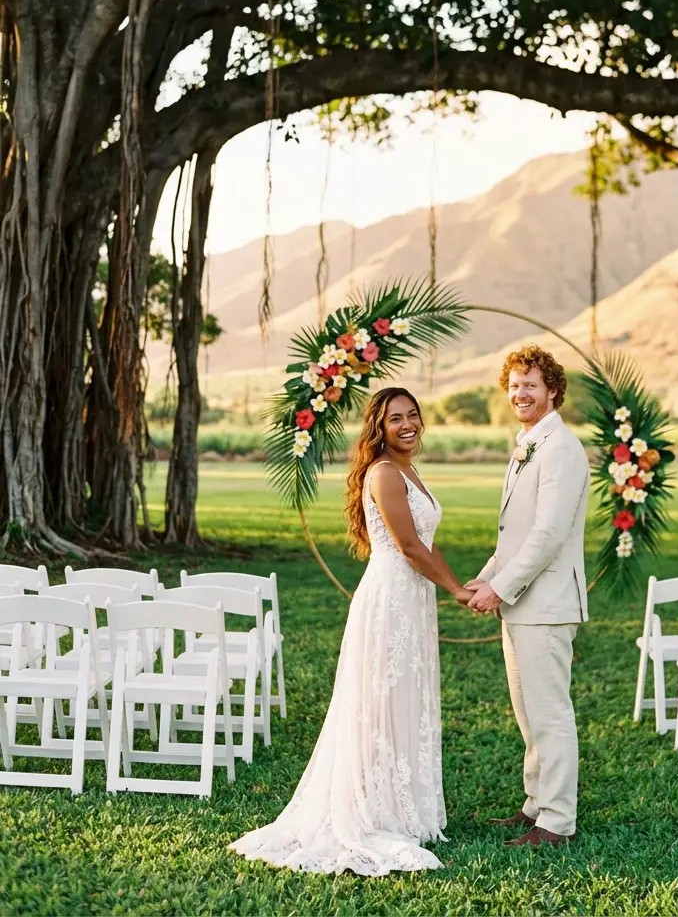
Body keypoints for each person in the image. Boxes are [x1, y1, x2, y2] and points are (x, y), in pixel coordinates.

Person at [230, 387, 475, 875]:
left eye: (412, 416)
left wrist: (449, 585)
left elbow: (424, 543)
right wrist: (458, 590)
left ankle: (403, 806)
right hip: (389, 597)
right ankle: (372, 811)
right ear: (378, 429)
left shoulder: (408, 470)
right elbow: (407, 546)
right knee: (378, 701)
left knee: (403, 696)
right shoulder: (384, 473)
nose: (406, 425)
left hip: (412, 598)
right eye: (394, 419)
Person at [466, 345, 590, 846]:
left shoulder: (561, 448)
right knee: (527, 713)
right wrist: (485, 577)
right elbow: (513, 537)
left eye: (531, 385)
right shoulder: (527, 445)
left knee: (550, 713)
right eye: (515, 384)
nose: (520, 392)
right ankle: (535, 804)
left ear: (553, 391)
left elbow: (548, 535)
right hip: (521, 603)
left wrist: (500, 588)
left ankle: (557, 822)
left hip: (547, 603)